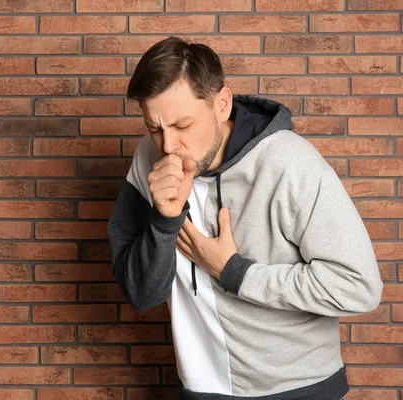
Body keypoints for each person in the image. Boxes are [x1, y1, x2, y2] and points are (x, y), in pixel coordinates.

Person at [107, 36, 383, 400]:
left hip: (299, 390)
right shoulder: (149, 160)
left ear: (221, 104)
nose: (168, 145)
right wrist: (163, 221)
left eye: (182, 125)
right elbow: (142, 295)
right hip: (201, 388)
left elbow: (358, 287)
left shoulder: (288, 163)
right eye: (155, 128)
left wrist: (233, 271)